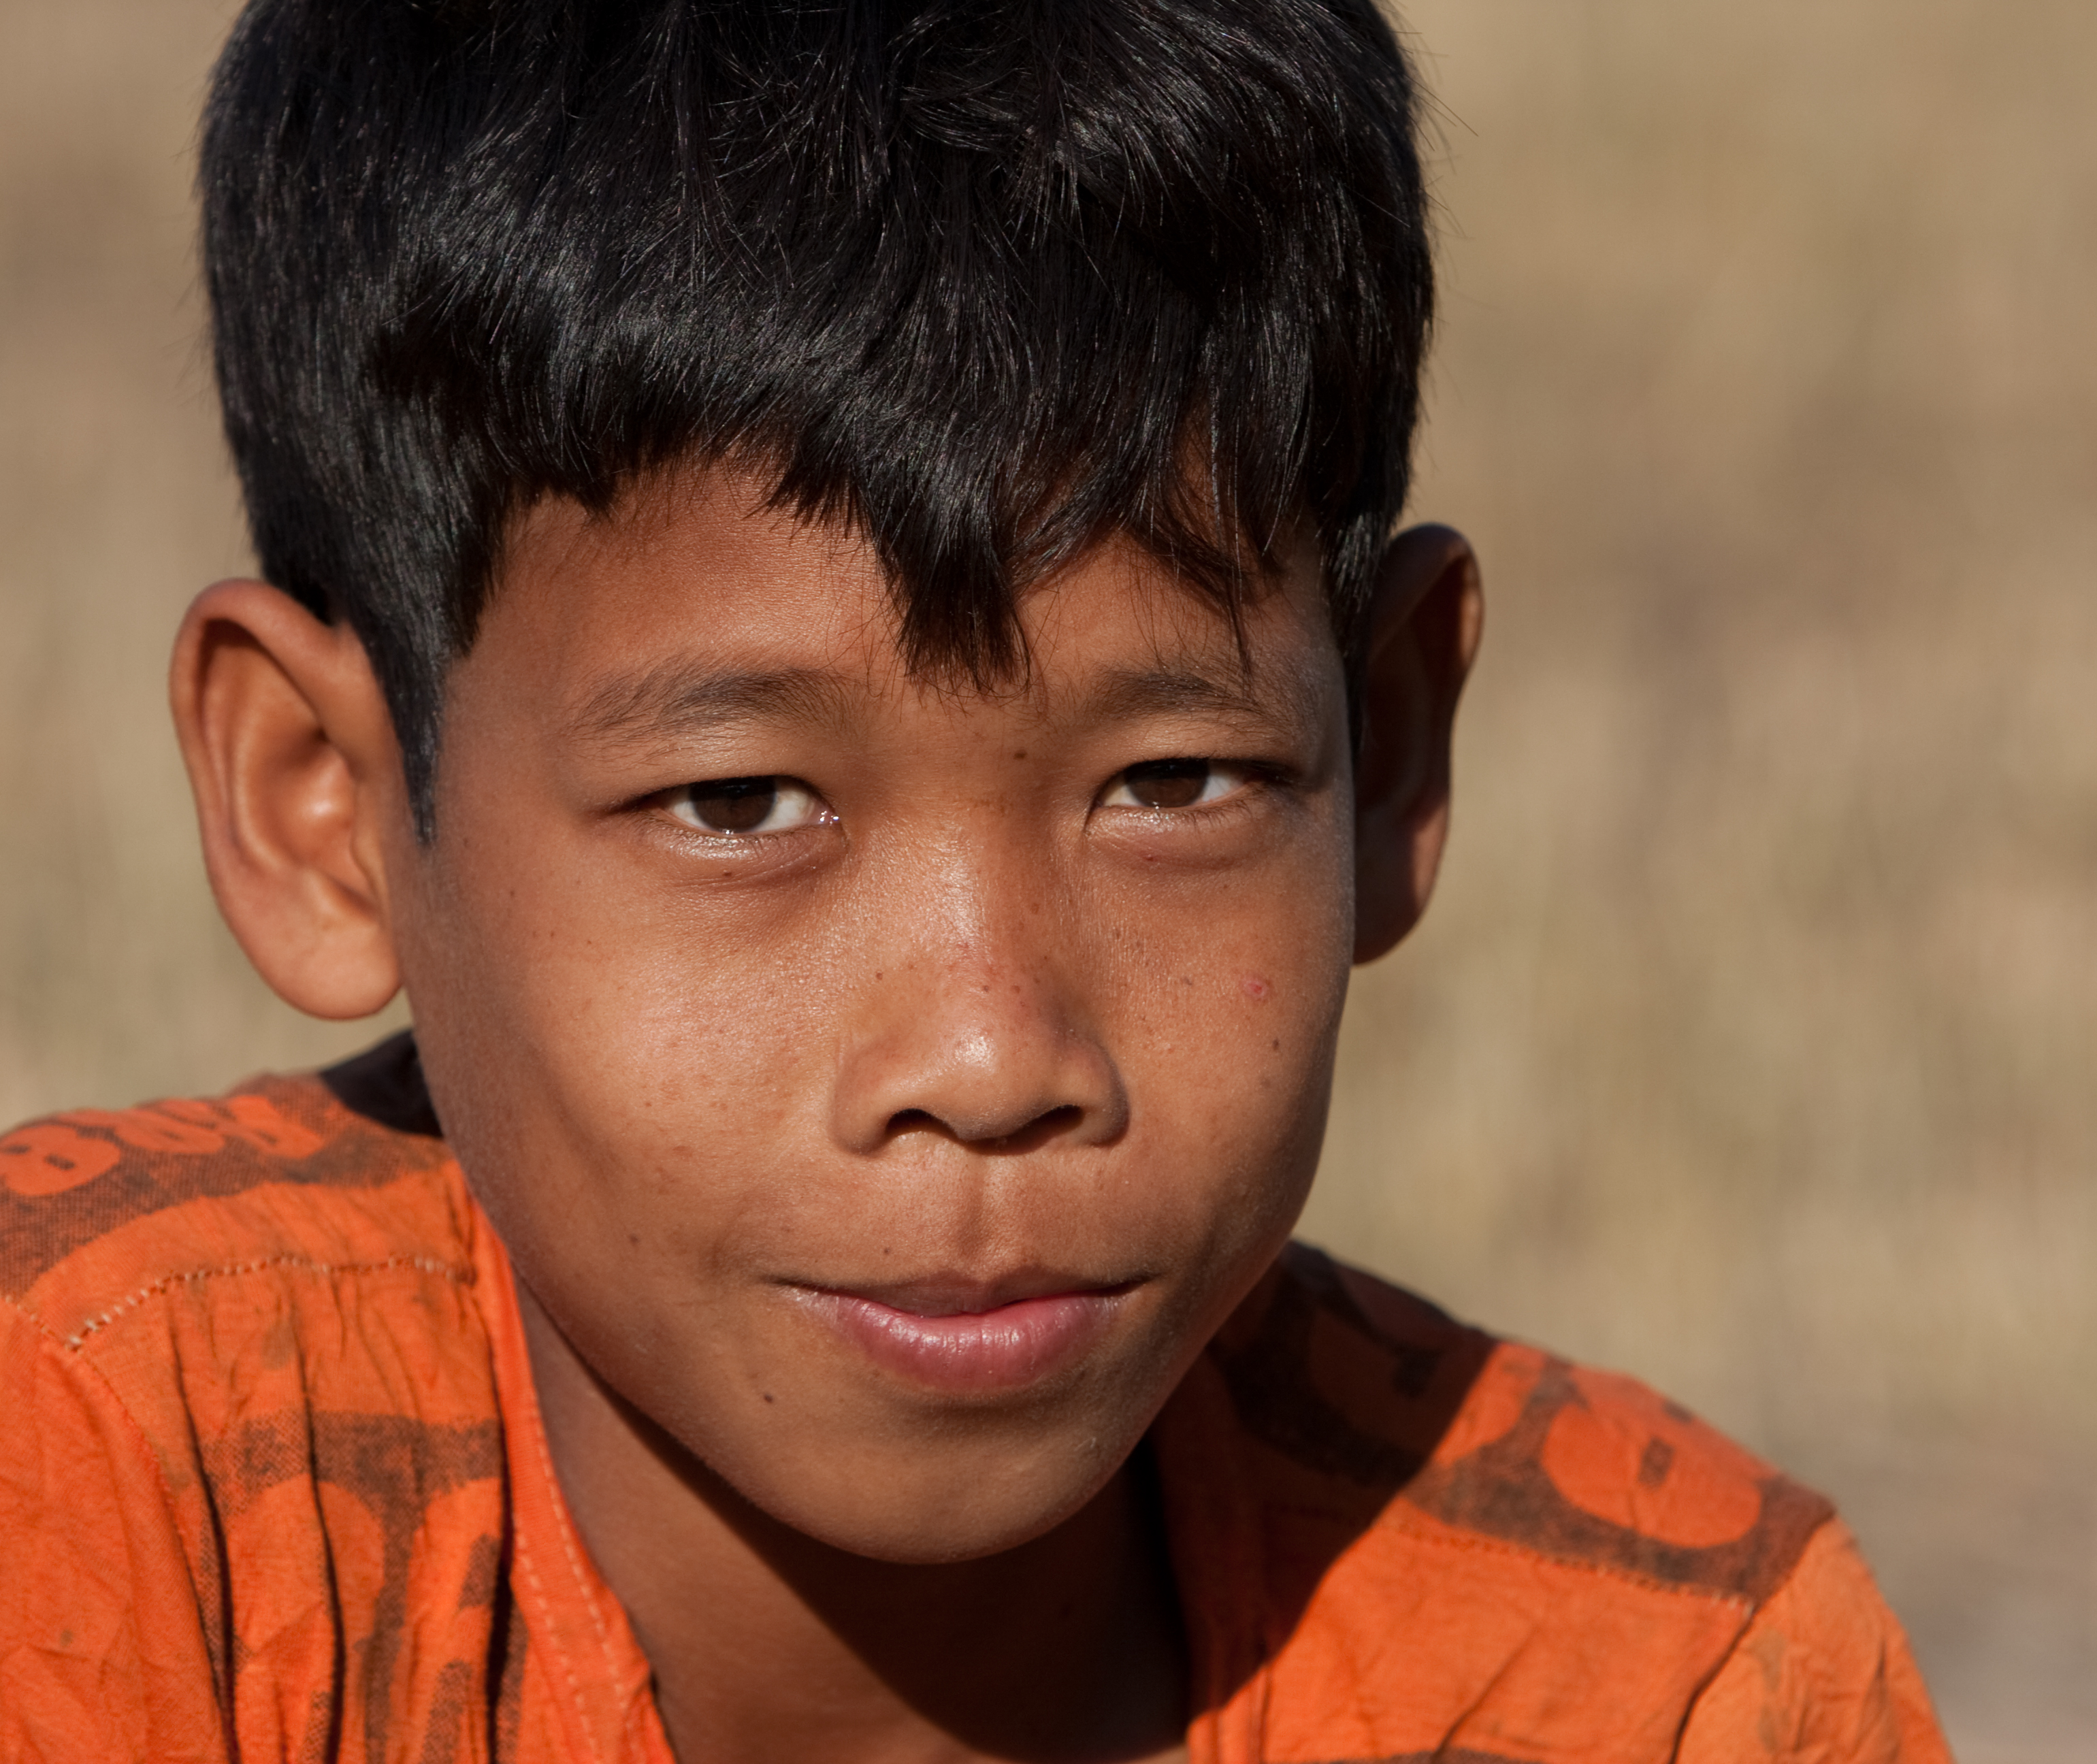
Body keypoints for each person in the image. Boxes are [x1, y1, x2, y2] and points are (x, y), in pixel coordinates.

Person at [0, 2, 1951, 1759]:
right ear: (320, 804)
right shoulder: (93, 1501)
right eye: (744, 804)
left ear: (1388, 750)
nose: (994, 1052)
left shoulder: (1648, 1693)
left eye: (1175, 780)